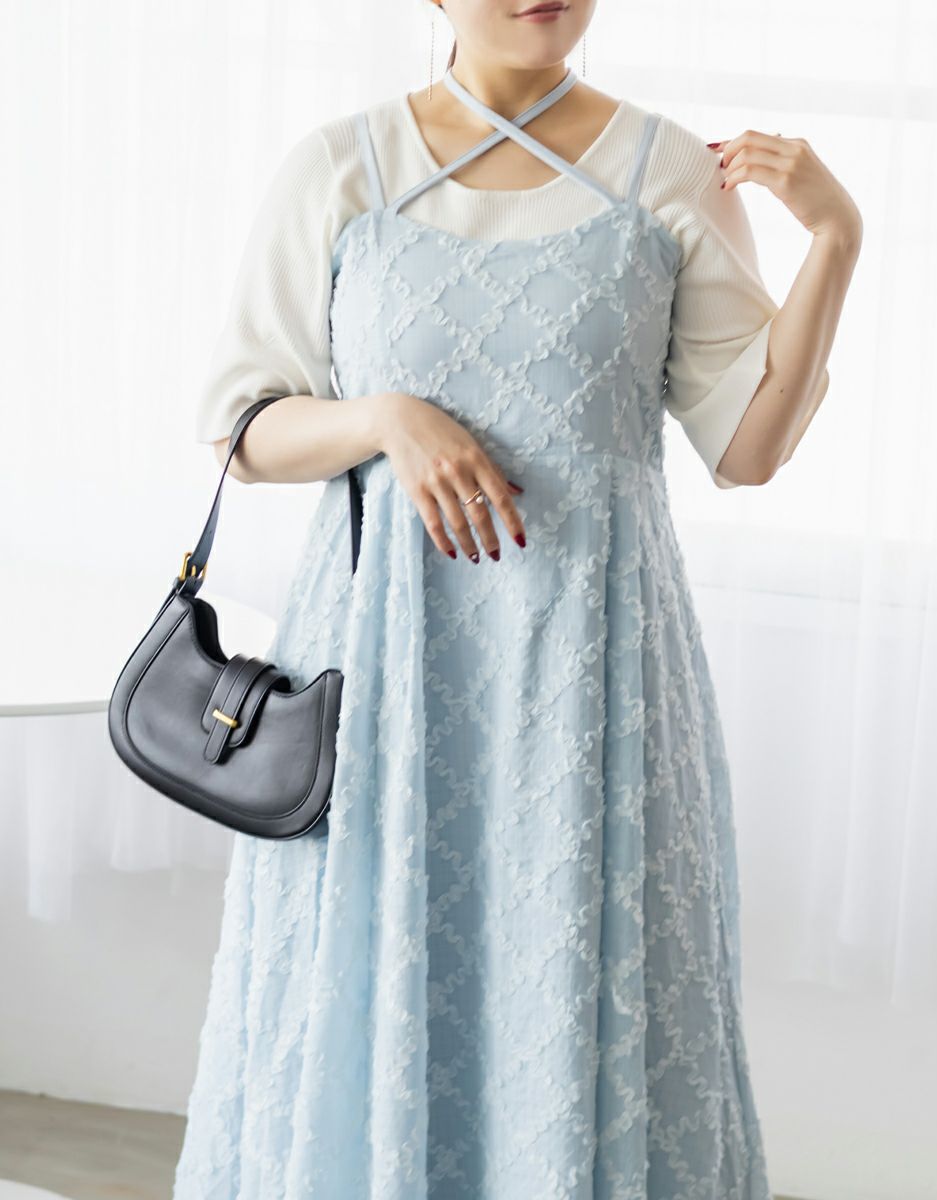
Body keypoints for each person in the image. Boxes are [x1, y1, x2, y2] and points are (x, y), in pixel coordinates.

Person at [172, 2, 862, 1196]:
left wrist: (836, 241)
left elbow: (748, 447)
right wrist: (384, 419)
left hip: (597, 676)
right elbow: (243, 429)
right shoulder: (341, 166)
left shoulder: (665, 171)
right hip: (384, 671)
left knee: (581, 975)